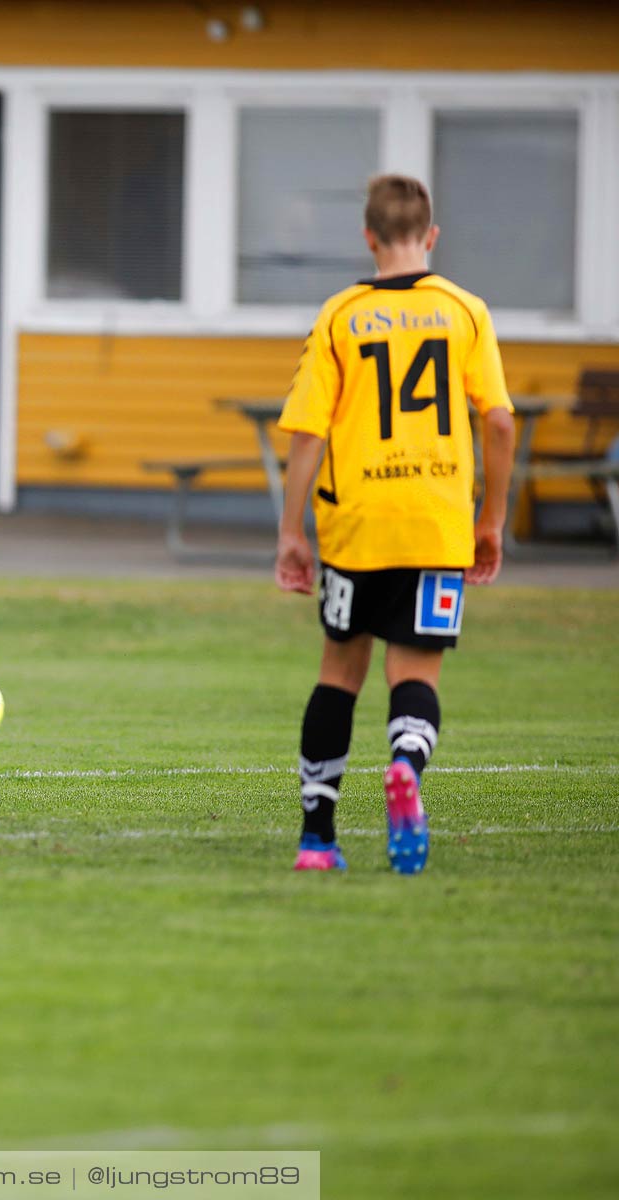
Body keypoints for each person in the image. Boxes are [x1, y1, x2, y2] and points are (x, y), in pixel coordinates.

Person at [275, 174, 515, 875]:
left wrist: (293, 531)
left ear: (368, 237)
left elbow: (307, 433)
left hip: (358, 521)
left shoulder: (340, 316)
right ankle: (406, 763)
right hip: (437, 520)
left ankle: (317, 840)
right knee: (416, 671)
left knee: (339, 673)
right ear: (431, 237)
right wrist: (490, 520)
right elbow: (498, 421)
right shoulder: (465, 311)